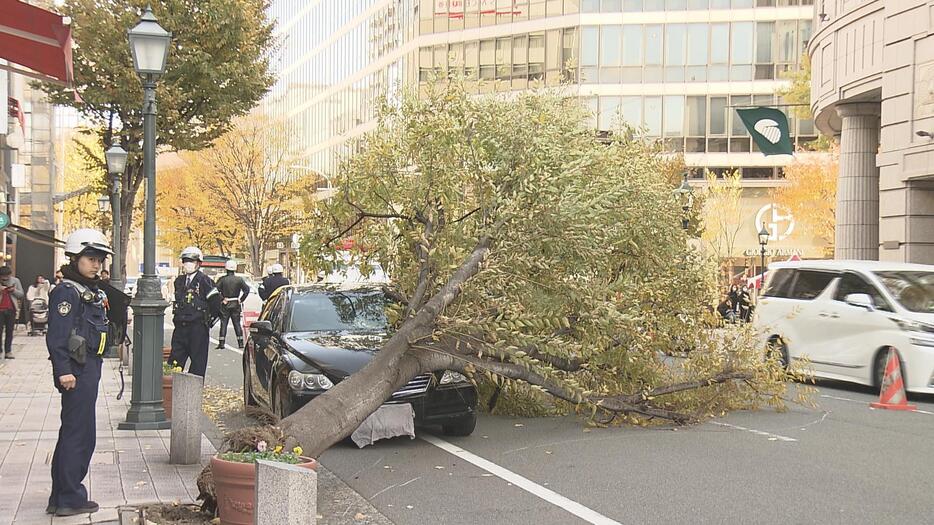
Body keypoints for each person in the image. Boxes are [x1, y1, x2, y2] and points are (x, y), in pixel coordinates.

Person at [46, 228, 113, 517]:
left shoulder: (88, 289)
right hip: (77, 370)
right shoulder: (67, 291)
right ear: (75, 258)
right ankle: (70, 497)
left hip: (87, 367)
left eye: (99, 259)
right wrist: (64, 371)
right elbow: (57, 337)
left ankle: (61, 495)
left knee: (75, 432)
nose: (96, 264)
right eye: (90, 258)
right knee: (79, 434)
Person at [169, 247, 221, 377]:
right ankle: (173, 391)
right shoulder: (179, 281)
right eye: (186, 261)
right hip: (180, 327)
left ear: (198, 263)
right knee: (174, 362)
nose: (188, 264)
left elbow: (216, 304)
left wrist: (208, 321)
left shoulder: (205, 281)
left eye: (191, 261)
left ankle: (194, 393)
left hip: (198, 327)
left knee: (198, 364)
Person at [215, 260, 250, 349]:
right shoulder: (239, 280)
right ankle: (240, 343)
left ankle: (221, 343)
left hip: (226, 303)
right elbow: (247, 290)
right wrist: (241, 299)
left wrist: (222, 299)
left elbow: (215, 290)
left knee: (224, 323)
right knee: (237, 324)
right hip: (235, 303)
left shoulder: (222, 279)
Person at [0, 266, 24, 358]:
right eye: (3, 276)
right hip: (0, 309)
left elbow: (21, 294)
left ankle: (8, 351)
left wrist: (13, 290)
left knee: (9, 331)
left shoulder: (15, 281)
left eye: (7, 276)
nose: (5, 278)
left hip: (11, 309)